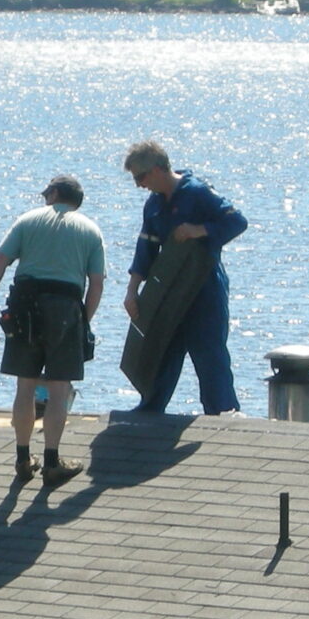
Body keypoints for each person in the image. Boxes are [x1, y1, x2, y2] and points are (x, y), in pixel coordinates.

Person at [0, 172, 104, 488]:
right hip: (66, 306)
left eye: (46, 192)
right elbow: (96, 283)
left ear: (55, 193)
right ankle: (51, 461)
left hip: (26, 305)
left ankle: (22, 458)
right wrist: (83, 320)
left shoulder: (28, 221)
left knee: (25, 385)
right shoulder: (90, 230)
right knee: (59, 388)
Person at [122, 140, 249, 418]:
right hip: (168, 287)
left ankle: (223, 411)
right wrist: (132, 291)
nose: (138, 184)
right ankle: (151, 406)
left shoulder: (197, 192)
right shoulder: (153, 205)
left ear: (157, 169)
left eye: (140, 177)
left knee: (208, 350)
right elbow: (145, 249)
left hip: (204, 285)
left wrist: (199, 230)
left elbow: (237, 221)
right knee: (162, 345)